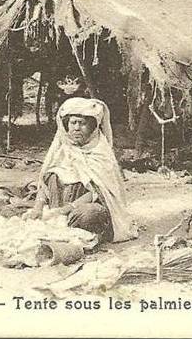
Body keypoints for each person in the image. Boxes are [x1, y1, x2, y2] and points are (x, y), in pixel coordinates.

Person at [28, 97, 138, 243]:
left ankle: (76, 232)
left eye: (83, 123)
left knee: (92, 214)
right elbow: (45, 182)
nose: (77, 128)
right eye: (73, 123)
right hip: (55, 213)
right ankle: (62, 229)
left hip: (78, 212)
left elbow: (96, 192)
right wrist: (38, 207)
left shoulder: (100, 153)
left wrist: (65, 210)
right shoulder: (61, 149)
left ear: (93, 127)